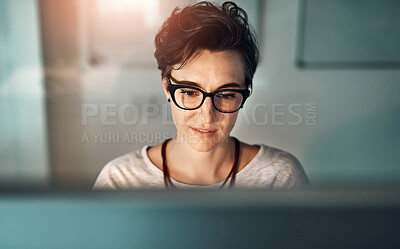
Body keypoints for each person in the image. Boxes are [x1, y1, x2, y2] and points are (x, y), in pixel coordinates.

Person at [93, 1, 308, 190]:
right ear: (167, 88)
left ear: (245, 92)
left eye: (226, 94)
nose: (207, 116)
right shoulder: (120, 180)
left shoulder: (278, 177)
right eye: (189, 92)